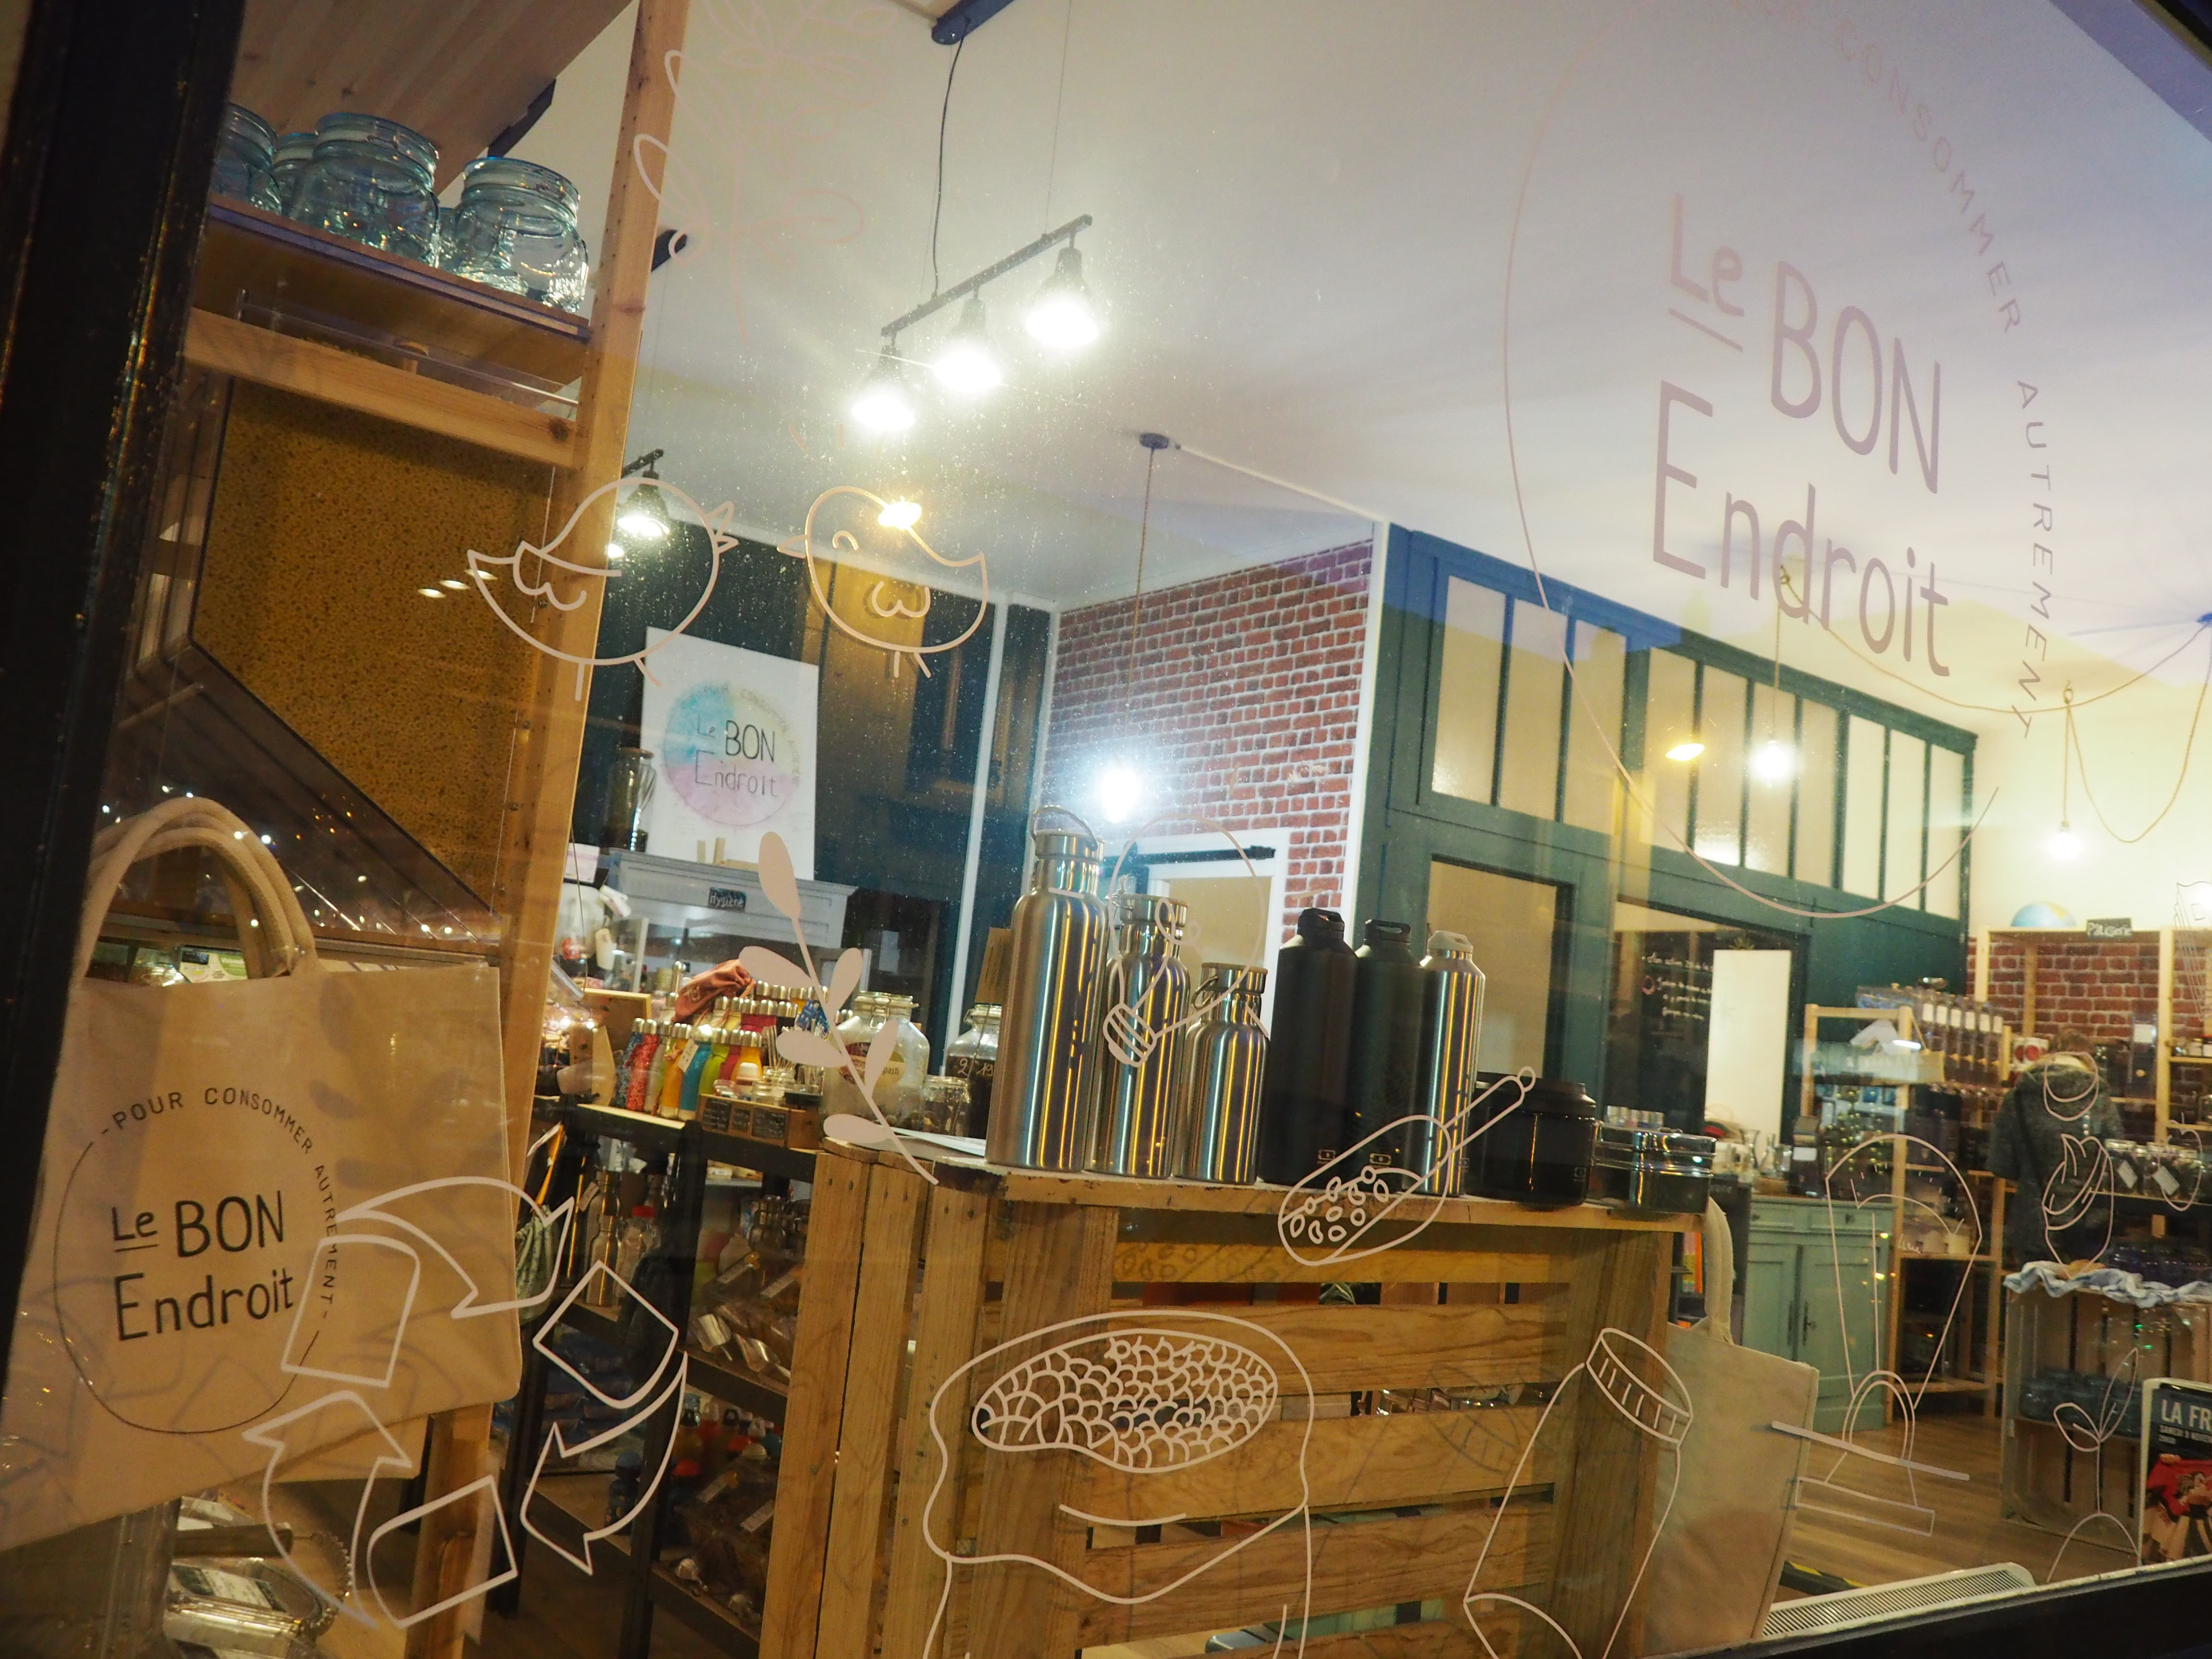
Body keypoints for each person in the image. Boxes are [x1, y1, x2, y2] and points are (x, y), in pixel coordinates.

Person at [1988, 1031, 2121, 1266]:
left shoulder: (2019, 1097)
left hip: (2033, 1221)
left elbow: (2002, 1165)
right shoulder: (2100, 1100)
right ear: (2089, 1058)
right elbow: (2116, 1165)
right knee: (2084, 1288)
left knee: (2033, 1287)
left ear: (2049, 1054)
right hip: (2088, 1222)